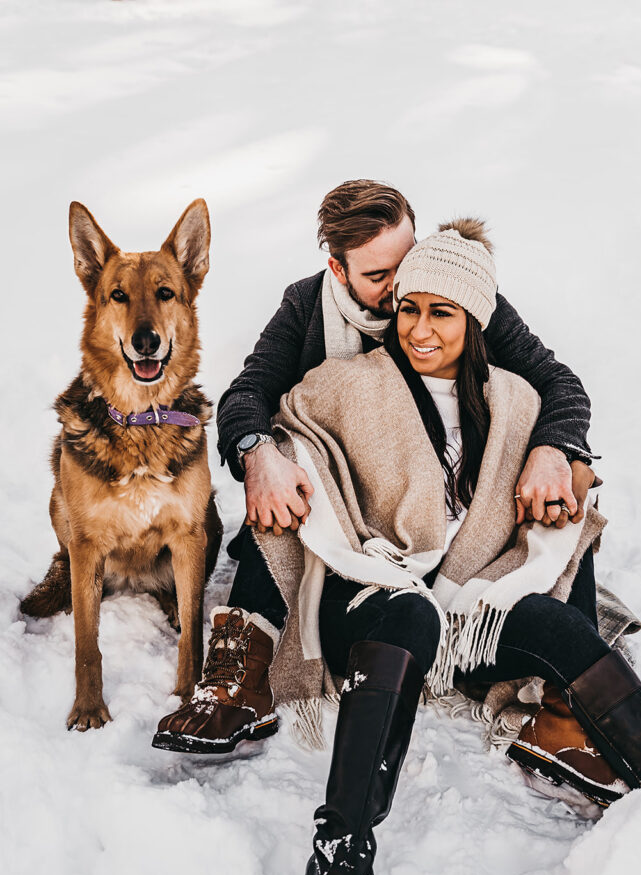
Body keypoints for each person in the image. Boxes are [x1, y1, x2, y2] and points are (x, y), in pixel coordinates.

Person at [224, 220, 641, 875]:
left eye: (442, 313)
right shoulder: (343, 382)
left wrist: (558, 456)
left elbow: (564, 405)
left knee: (555, 629)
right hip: (370, 598)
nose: (419, 328)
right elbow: (284, 426)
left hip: (462, 606)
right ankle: (339, 865)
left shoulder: (513, 401)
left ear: (476, 322)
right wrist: (265, 455)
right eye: (408, 308)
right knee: (406, 609)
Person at [153, 181, 599, 755]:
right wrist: (257, 451)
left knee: (572, 490)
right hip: (350, 502)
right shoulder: (305, 306)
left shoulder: (450, 286)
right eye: (377, 277)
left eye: (404, 264)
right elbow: (248, 393)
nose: (401, 290)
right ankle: (241, 676)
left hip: (444, 501)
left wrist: (554, 450)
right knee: (284, 469)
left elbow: (559, 383)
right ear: (338, 272)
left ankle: (573, 705)